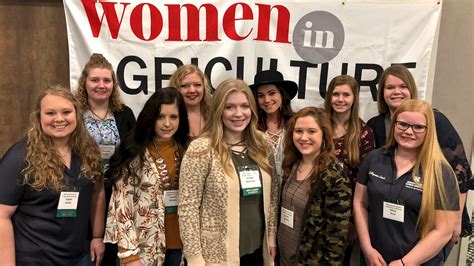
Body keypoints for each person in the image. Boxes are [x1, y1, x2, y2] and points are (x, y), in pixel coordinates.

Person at [366, 65, 472, 254]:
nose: (396, 91)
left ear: (411, 89)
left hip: (433, 219)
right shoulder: (376, 125)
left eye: (402, 86)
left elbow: (460, 170)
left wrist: (455, 220)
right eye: (390, 87)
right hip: (392, 227)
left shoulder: (434, 119)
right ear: (381, 92)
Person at [0, 85, 105, 265]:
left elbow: (98, 191)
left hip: (80, 257)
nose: (59, 119)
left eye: (66, 112)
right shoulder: (19, 157)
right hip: (36, 259)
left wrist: (97, 236)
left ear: (77, 115)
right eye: (50, 113)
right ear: (38, 117)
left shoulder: (89, 151)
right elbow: (2, 216)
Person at [178, 79, 279, 265]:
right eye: (230, 107)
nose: (239, 114)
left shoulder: (262, 144)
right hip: (216, 255)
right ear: (219, 110)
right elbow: (188, 208)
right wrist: (193, 257)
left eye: (245, 106)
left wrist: (271, 238)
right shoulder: (201, 149)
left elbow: (272, 197)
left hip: (257, 249)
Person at [354, 99, 460, 265]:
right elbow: (360, 203)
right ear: (394, 125)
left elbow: (443, 230)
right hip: (374, 259)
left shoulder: (441, 172)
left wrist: (405, 262)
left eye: (418, 127)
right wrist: (367, 248)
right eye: (402, 124)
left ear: (429, 130)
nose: (408, 131)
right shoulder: (374, 159)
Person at [104, 87, 189, 265]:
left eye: (173, 117)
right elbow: (121, 205)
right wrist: (129, 255)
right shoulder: (134, 151)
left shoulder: (188, 150)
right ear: (150, 117)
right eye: (160, 117)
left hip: (182, 247)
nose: (167, 123)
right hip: (144, 249)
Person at [76, 53, 136, 265]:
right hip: (83, 193)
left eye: (106, 80)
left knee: (110, 253)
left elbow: (133, 154)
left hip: (115, 193)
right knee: (86, 251)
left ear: (113, 84)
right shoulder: (74, 113)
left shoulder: (124, 114)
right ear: (85, 83)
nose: (101, 85)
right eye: (95, 80)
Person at [277, 107, 352, 265]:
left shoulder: (334, 178)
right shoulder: (292, 165)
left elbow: (336, 240)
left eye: (311, 131)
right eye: (298, 131)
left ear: (324, 135)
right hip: (284, 257)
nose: (304, 137)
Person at [323, 75, 375, 264]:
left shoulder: (364, 133)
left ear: (354, 98)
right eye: (335, 94)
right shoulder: (318, 126)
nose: (340, 99)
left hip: (345, 215)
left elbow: (366, 182)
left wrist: (353, 221)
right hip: (315, 209)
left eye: (346, 94)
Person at [249, 70, 297, 180]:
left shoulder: (295, 123)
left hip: (290, 188)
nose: (266, 100)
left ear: (282, 95)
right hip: (261, 187)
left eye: (272, 93)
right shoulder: (251, 125)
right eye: (261, 95)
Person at [169, 64, 212, 140]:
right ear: (175, 88)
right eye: (184, 86)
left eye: (197, 85)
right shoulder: (168, 118)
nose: (192, 90)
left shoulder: (214, 115)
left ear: (204, 88)